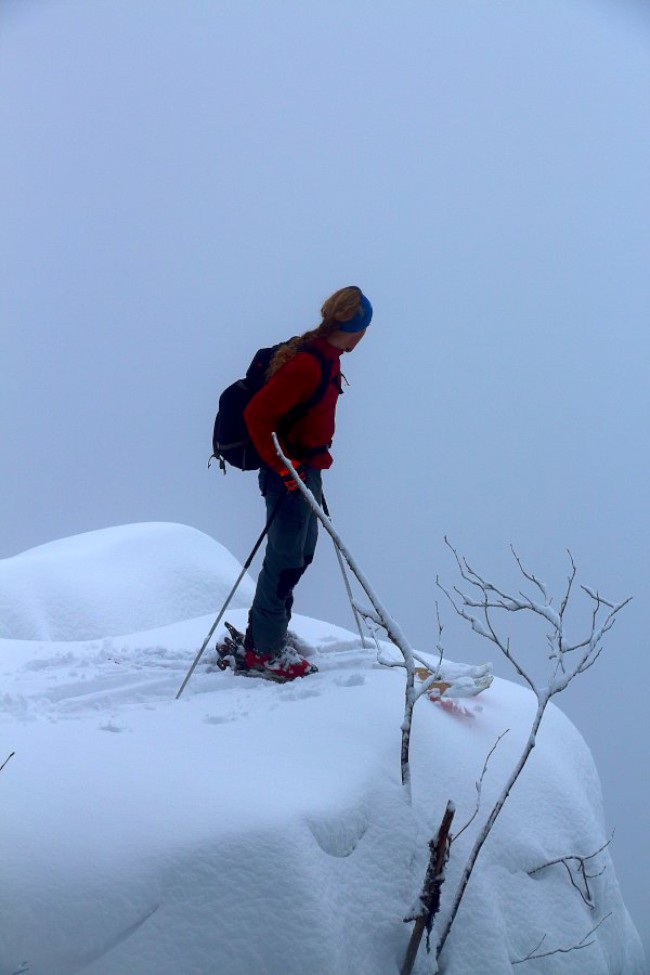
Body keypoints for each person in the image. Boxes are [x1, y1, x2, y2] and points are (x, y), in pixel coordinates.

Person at [241, 285, 372, 680]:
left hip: (306, 471)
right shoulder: (309, 363)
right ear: (356, 327)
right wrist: (283, 467)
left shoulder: (326, 356)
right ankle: (263, 650)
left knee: (301, 555)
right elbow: (256, 415)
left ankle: (269, 634)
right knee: (284, 560)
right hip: (289, 474)